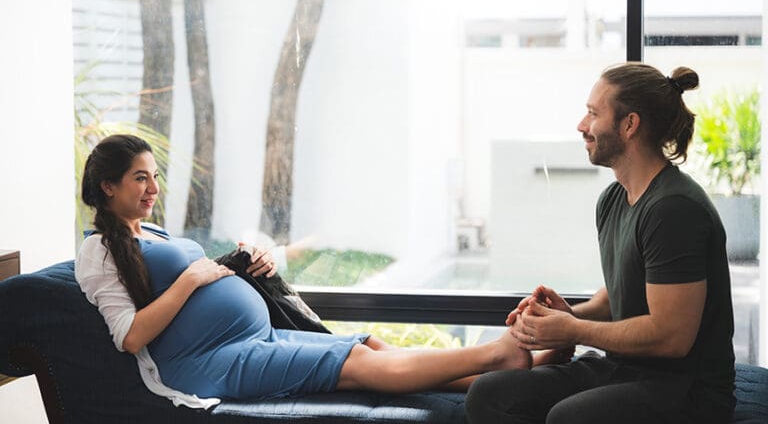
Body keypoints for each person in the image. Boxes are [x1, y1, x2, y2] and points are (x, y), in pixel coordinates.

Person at [76, 134, 532, 409]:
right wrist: (194, 279)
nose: (154, 187)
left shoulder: (150, 232)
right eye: (140, 178)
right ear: (108, 186)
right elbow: (130, 336)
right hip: (209, 363)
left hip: (248, 339)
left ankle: (507, 379)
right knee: (356, 365)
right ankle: (495, 357)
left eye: (155, 176)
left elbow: (193, 280)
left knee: (365, 343)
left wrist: (249, 266)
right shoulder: (97, 251)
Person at [465, 63, 736, 424]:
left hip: (687, 390)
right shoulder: (614, 199)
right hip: (628, 370)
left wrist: (573, 330)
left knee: (568, 418)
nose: (581, 125)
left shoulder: (674, 209)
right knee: (490, 395)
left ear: (629, 125)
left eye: (593, 113)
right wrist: (566, 316)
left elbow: (672, 337)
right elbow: (620, 294)